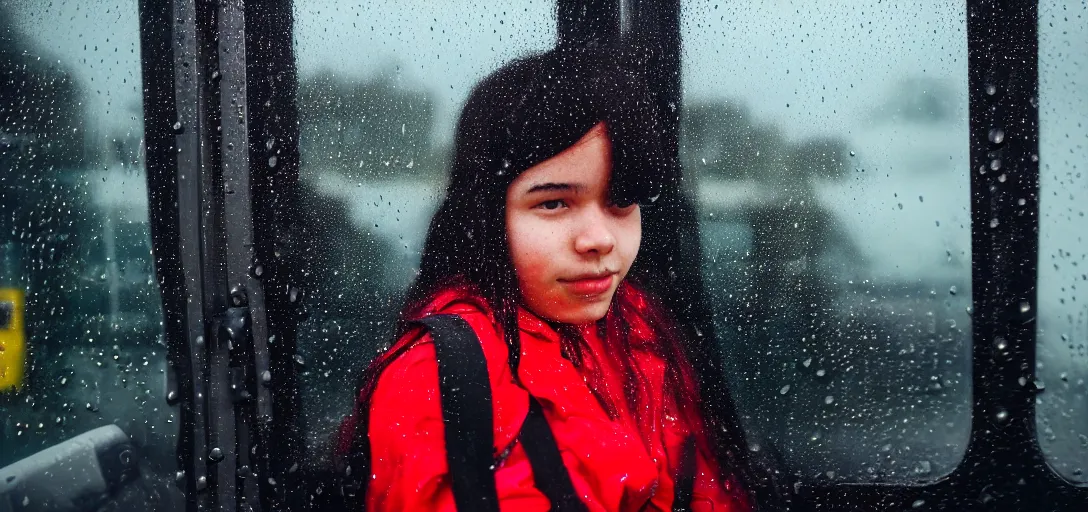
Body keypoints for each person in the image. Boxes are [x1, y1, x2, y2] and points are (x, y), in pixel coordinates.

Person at [336, 46, 779, 512]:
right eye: (553, 203)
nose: (599, 239)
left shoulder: (637, 329)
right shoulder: (441, 378)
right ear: (487, 215)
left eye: (620, 202)